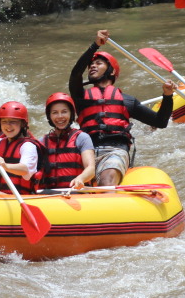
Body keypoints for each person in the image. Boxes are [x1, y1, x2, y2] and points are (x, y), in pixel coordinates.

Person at [69, 30, 175, 187]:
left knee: (106, 181)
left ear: (111, 71)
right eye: (91, 64)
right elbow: (75, 72)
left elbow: (160, 121)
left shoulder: (127, 101)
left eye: (99, 63)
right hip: (86, 153)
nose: (92, 66)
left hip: (115, 150)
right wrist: (95, 45)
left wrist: (167, 96)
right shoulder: (80, 96)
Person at [40, 93, 96, 191]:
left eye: (64, 112)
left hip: (75, 192)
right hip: (49, 195)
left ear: (71, 114)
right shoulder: (42, 142)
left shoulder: (82, 138)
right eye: (55, 112)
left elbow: (90, 169)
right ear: (49, 116)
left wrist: (81, 178)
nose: (60, 116)